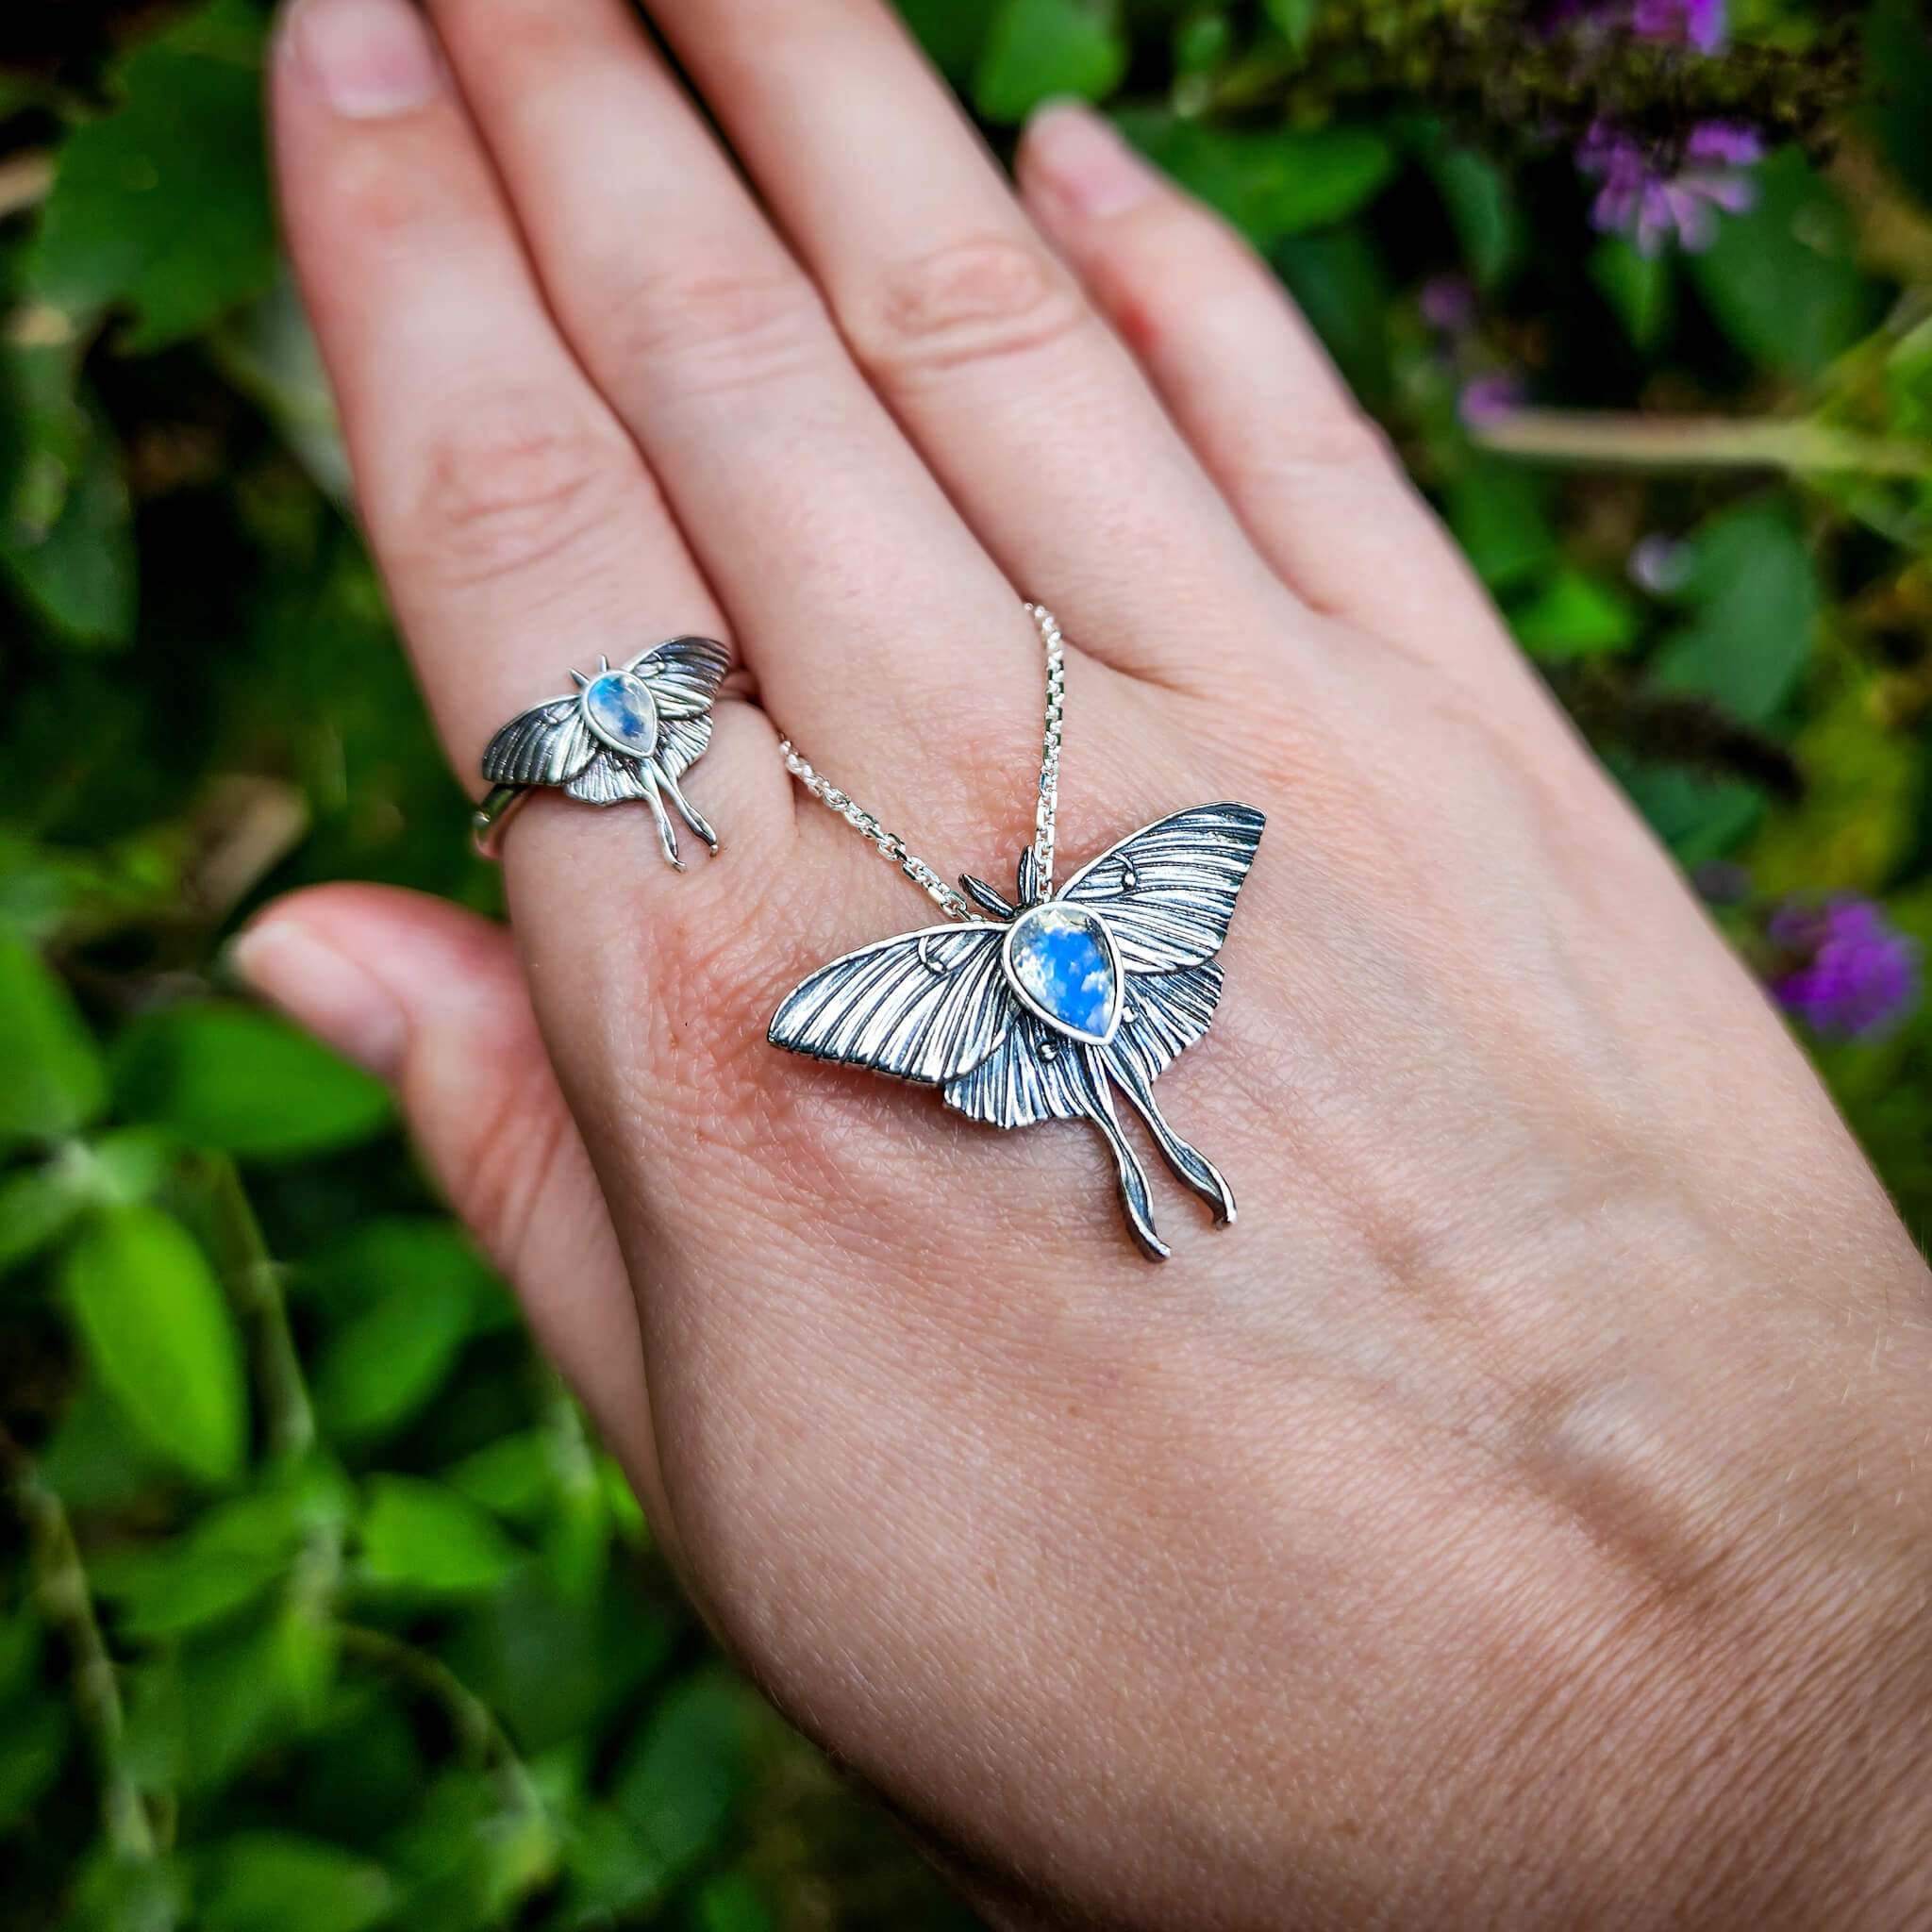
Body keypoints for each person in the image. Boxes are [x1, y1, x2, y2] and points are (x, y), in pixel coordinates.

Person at [235, 0, 1932, 1921]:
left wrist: (1822, 1787)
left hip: (1065, 987)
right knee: (1129, 1110)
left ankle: (1135, 1134)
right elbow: (906, 982)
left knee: (1127, 1114)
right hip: (1072, 985)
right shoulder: (1055, 922)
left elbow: (1174, 876)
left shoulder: (1113, 894)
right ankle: (1138, 1133)